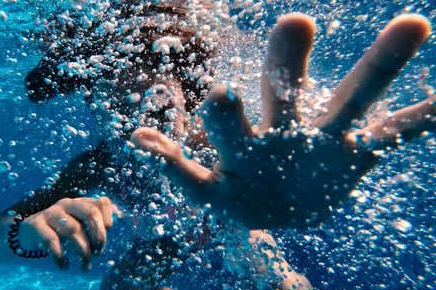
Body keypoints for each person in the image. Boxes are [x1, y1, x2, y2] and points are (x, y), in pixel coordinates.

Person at [0, 2, 312, 289]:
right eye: (122, 112)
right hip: (164, 241)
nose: (141, 134)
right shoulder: (97, 162)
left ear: (186, 107)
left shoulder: (214, 149)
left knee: (265, 260)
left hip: (218, 222)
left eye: (160, 110)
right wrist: (29, 233)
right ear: (97, 113)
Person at [131, 13, 434, 229]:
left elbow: (281, 276)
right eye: (123, 106)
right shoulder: (96, 162)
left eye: (161, 111)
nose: (158, 97)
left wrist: (278, 209)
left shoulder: (225, 158)